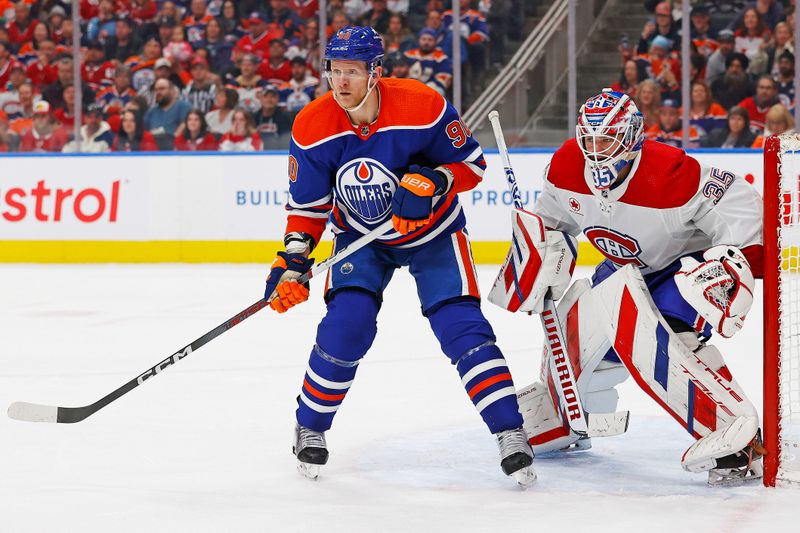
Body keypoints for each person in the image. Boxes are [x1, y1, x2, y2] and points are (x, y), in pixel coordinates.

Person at [262, 26, 535, 485]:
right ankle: (309, 425)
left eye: (352, 71)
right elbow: (307, 209)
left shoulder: (421, 104)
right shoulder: (311, 126)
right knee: (346, 327)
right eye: (335, 71)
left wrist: (433, 181)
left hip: (434, 233)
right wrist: (292, 260)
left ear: (375, 72)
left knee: (462, 329)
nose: (341, 82)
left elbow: (471, 165)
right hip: (360, 239)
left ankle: (511, 433)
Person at [517, 88, 763, 485]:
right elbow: (551, 222)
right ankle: (561, 416)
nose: (597, 151)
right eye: (590, 140)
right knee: (577, 341)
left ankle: (740, 440)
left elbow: (736, 199)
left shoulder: (670, 172)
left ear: (631, 137)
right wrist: (541, 255)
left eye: (608, 139)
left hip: (675, 268)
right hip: (619, 268)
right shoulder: (565, 165)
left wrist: (739, 258)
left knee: (671, 341)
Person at [254, 84, 293, 148]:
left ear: (278, 98)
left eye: (272, 96)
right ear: (260, 98)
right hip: (257, 154)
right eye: (266, 96)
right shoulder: (254, 117)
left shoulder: (285, 117)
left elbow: (286, 141)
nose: (269, 100)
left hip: (277, 153)